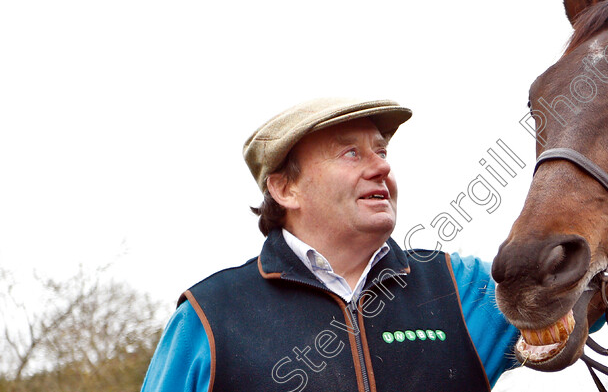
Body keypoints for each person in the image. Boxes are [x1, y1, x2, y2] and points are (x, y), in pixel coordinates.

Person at [140, 98, 520, 392]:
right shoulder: (208, 317)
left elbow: (574, 289)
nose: (382, 167)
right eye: (351, 153)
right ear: (285, 188)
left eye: (381, 152)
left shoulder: (463, 287)